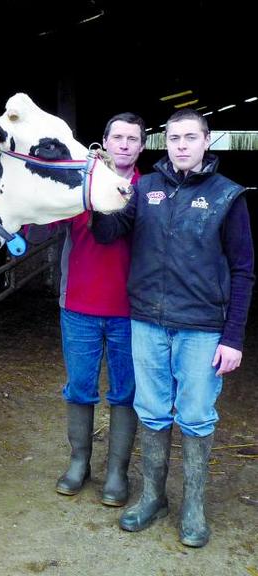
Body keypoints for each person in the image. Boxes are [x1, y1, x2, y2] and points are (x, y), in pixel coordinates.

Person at [92, 108, 254, 547]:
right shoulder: (145, 189)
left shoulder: (228, 196)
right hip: (147, 322)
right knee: (152, 409)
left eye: (190, 137)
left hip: (202, 328)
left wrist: (234, 337)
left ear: (207, 141)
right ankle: (152, 497)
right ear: (167, 143)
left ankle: (194, 507)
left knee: (198, 416)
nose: (182, 145)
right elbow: (109, 233)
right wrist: (101, 188)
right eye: (175, 138)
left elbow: (243, 270)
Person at [29, 113, 146, 506]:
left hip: (132, 311)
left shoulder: (150, 191)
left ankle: (117, 472)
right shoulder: (79, 186)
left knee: (125, 392)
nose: (124, 144)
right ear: (105, 142)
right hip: (78, 304)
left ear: (142, 146)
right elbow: (42, 223)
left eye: (133, 138)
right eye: (118, 137)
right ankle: (79, 462)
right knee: (79, 388)